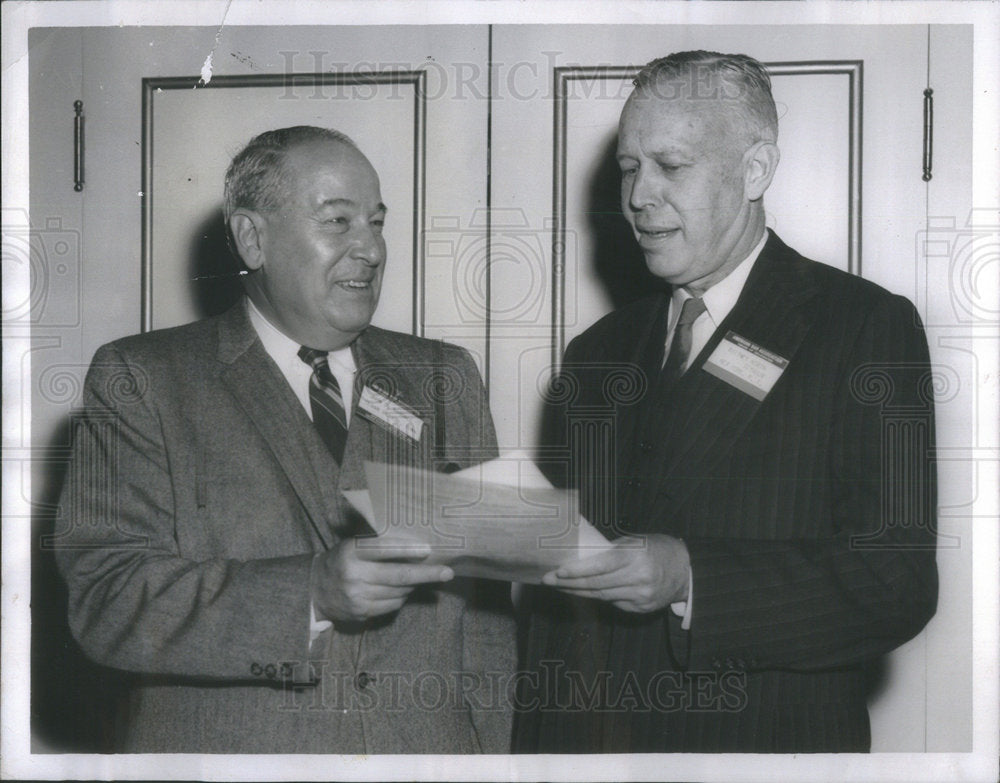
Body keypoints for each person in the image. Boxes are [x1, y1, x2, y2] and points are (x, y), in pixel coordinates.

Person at [513, 51, 938, 753]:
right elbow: (560, 612)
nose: (638, 196)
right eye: (627, 167)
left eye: (669, 166)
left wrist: (692, 577)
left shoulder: (862, 327)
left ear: (755, 170)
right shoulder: (595, 355)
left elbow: (896, 580)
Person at [55, 126, 514, 754]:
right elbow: (108, 602)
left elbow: (488, 622)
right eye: (338, 221)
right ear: (253, 238)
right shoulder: (144, 379)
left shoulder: (445, 377)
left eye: (376, 223)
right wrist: (310, 594)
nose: (371, 249)